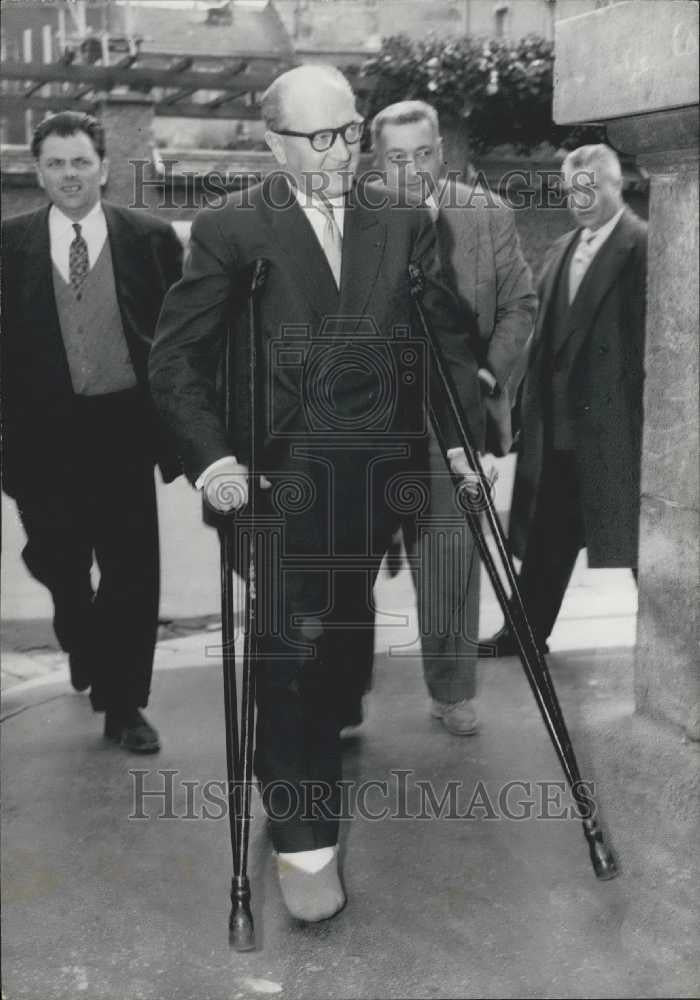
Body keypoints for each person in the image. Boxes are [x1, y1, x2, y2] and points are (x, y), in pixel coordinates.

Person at [149, 65, 483, 923]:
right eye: (320, 137)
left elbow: (446, 338)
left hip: (372, 481)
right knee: (289, 646)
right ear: (274, 143)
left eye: (349, 131)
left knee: (332, 633)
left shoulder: (403, 219)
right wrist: (215, 462)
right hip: (272, 482)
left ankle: (317, 729)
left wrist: (462, 438)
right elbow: (177, 359)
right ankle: (305, 841)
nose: (341, 152)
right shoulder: (231, 228)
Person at [1, 111, 183, 752]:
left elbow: (180, 339)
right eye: (55, 163)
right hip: (40, 435)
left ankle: (123, 703)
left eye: (81, 161)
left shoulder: (151, 238)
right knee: (60, 561)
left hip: (123, 428)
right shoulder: (9, 244)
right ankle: (79, 628)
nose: (70, 175)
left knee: (131, 570)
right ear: (38, 172)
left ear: (104, 168)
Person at [371, 100, 537, 734]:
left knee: (449, 556)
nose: (412, 169)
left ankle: (452, 690)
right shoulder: (354, 219)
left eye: (423, 154)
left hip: (454, 423)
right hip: (373, 419)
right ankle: (338, 693)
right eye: (396, 157)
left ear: (441, 152)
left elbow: (520, 302)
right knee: (348, 558)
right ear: (377, 162)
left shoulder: (486, 215)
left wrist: (486, 375)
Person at [485, 144, 647, 655]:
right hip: (557, 425)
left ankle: (681, 642)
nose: (579, 200)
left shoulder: (645, 245)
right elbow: (543, 336)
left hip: (616, 430)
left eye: (590, 188)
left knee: (642, 547)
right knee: (548, 536)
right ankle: (524, 635)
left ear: (617, 186)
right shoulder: (560, 248)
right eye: (570, 190)